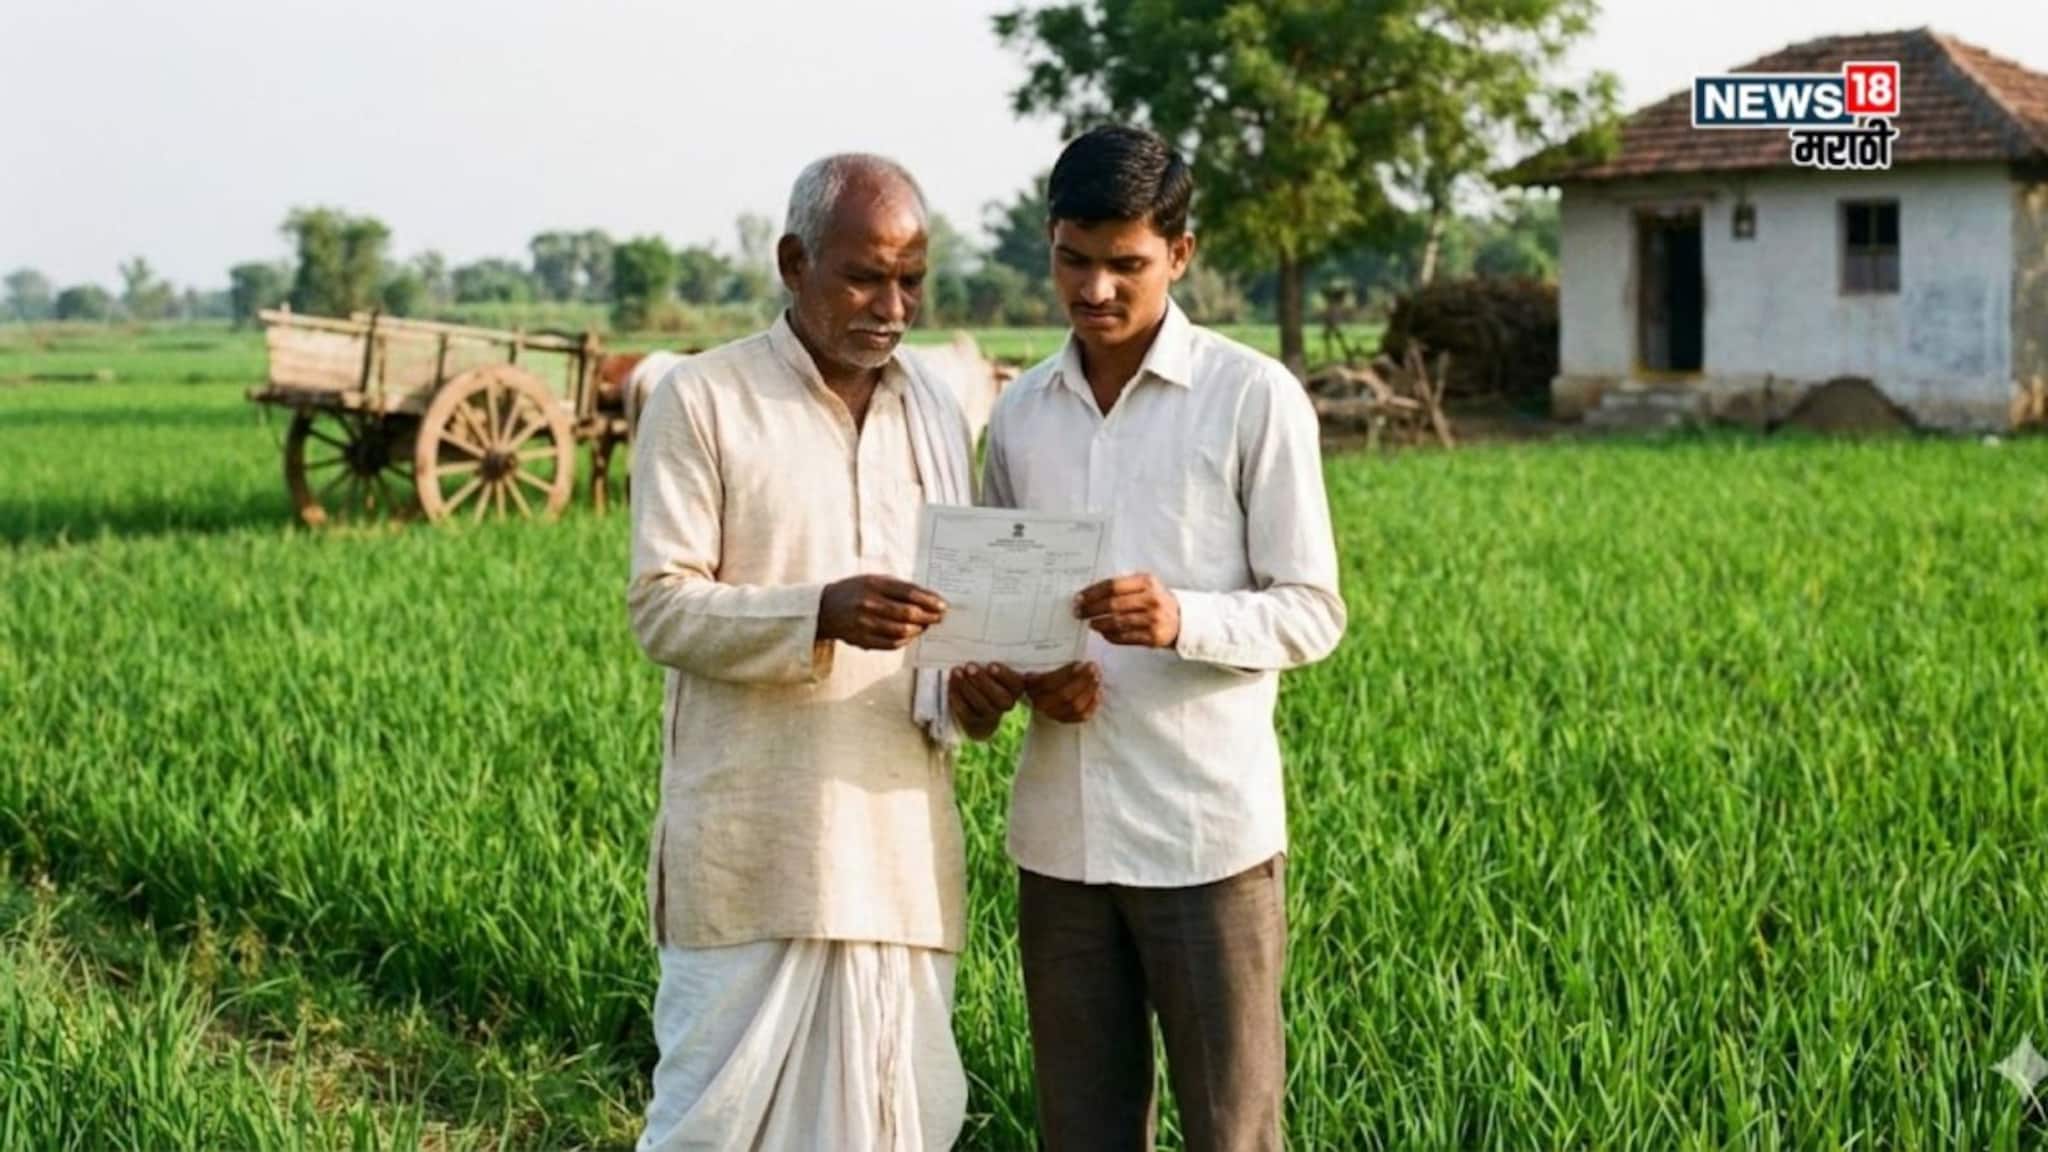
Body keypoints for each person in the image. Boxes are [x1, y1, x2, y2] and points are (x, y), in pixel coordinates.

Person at [949, 124, 1347, 1152]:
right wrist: (1024, 681)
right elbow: (997, 608)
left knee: (1232, 1134)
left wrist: (1183, 618)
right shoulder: (1022, 415)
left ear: (1179, 253)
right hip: (1060, 842)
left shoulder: (1251, 399)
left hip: (1203, 838)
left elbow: (1312, 608)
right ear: (1047, 245)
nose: (1093, 290)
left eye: (1123, 263)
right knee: (1079, 1131)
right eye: (1071, 261)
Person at [628, 152, 976, 1151]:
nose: (892, 305)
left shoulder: (936, 410)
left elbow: (950, 628)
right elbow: (661, 609)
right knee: (713, 1124)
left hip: (901, 852)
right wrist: (818, 611)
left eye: (911, 280)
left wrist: (981, 687)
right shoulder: (703, 399)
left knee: (900, 1114)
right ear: (792, 261)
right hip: (754, 847)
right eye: (865, 275)